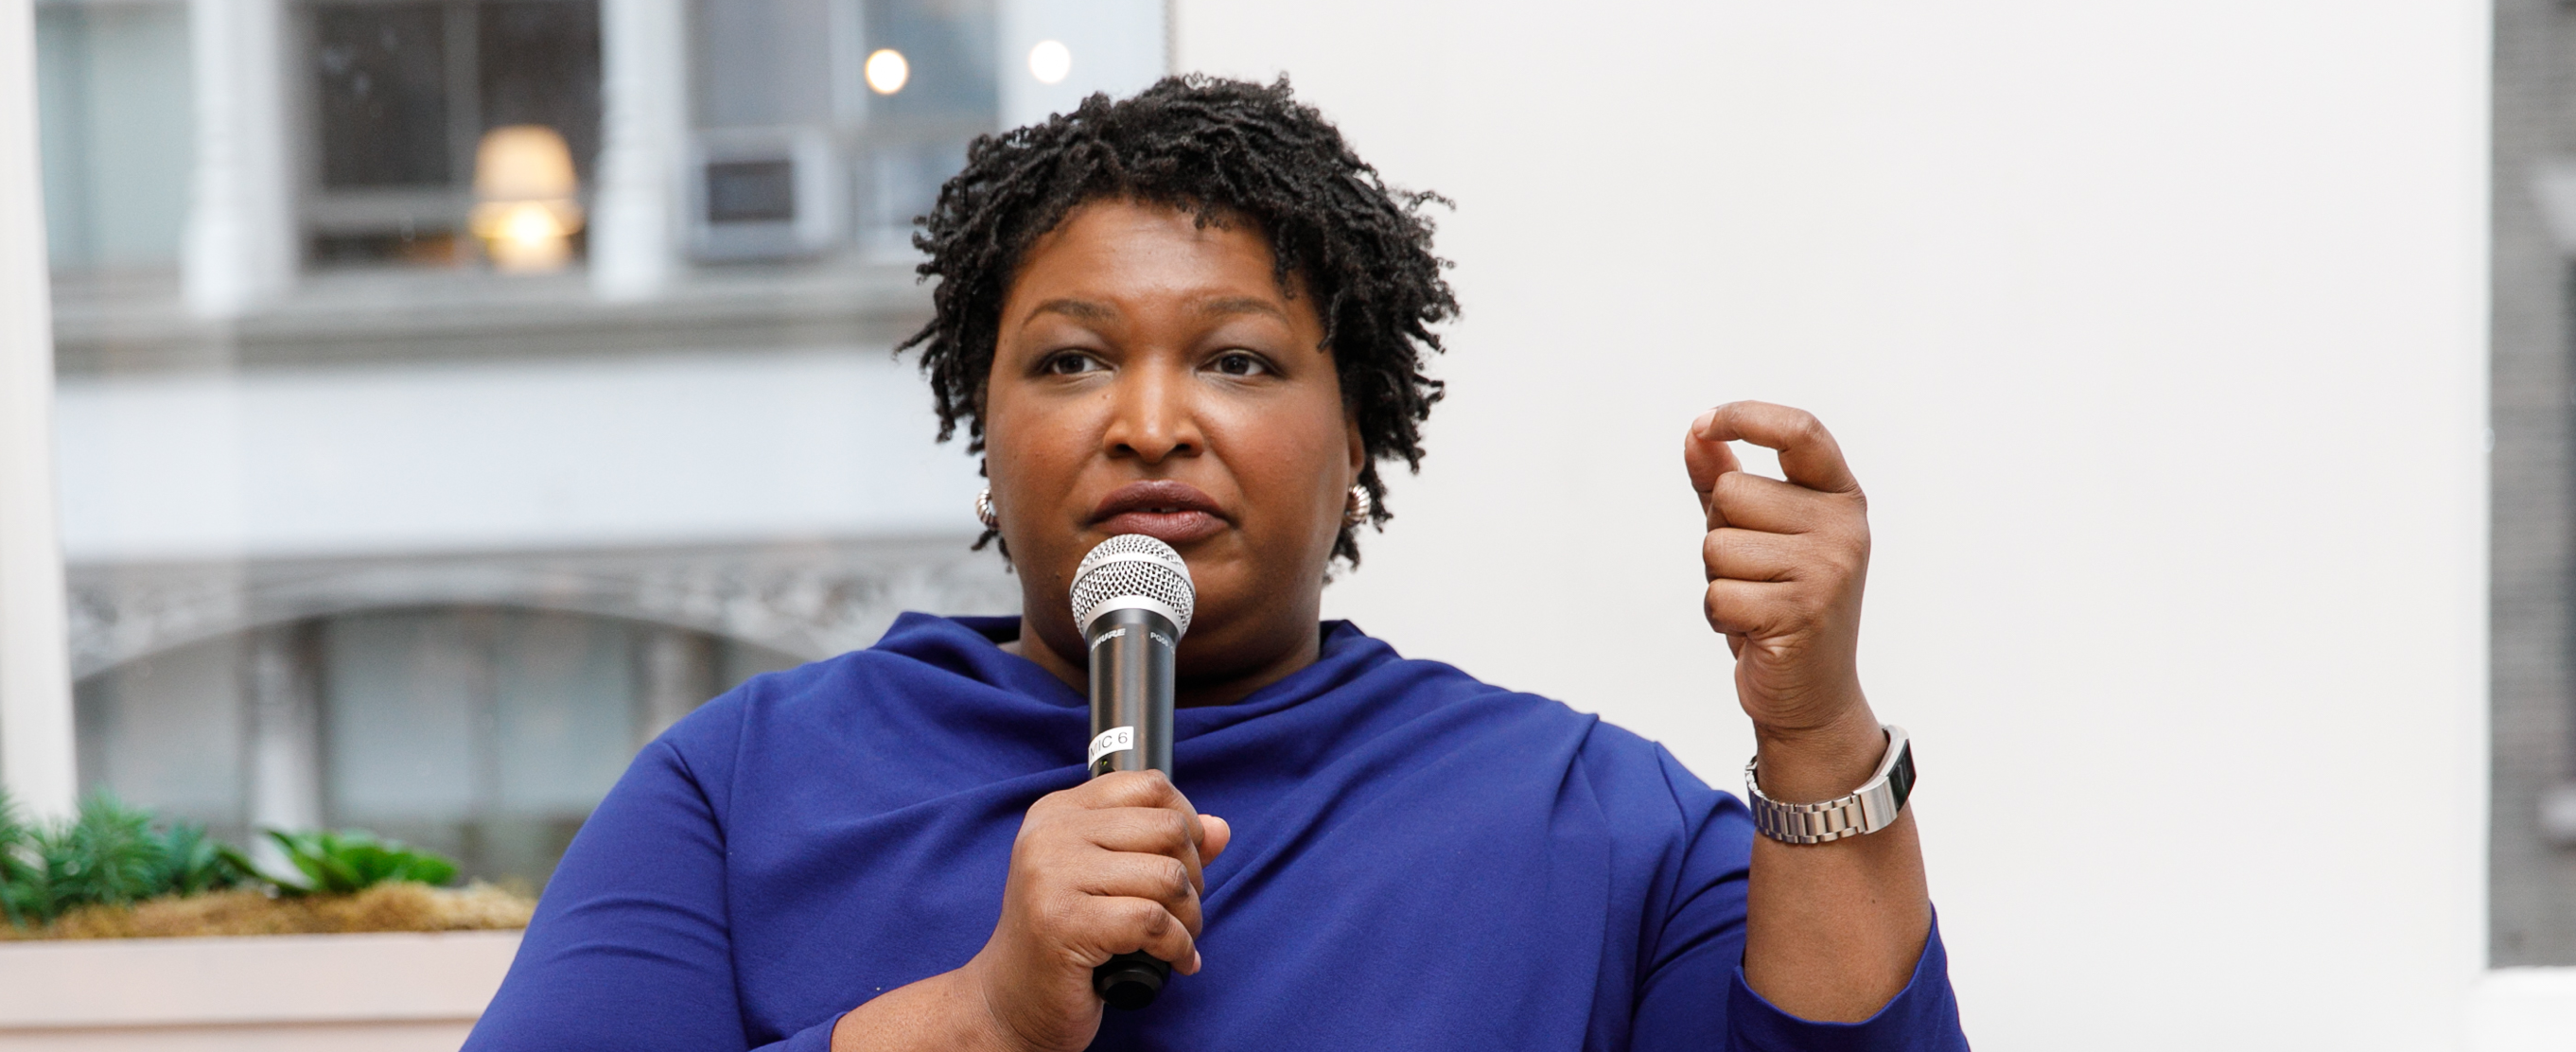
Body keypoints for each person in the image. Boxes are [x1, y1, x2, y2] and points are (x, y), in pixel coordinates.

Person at [464, 76, 1968, 1052]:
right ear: (982, 429)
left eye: (1240, 360)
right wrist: (980, 1015)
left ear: (1359, 433)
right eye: (1069, 362)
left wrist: (1814, 724)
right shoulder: (740, 790)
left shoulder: (1581, 818)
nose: (1151, 423)